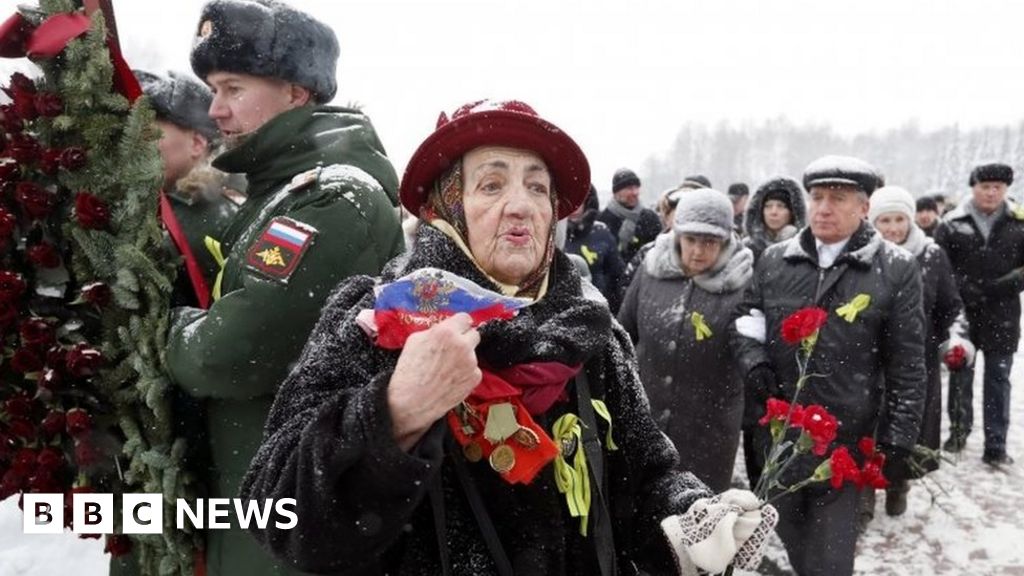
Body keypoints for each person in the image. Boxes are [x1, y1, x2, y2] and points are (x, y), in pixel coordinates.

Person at [239, 100, 775, 576]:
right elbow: (275, 512)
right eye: (492, 185)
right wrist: (394, 412)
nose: (520, 205)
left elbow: (645, 471)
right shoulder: (376, 320)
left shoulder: (591, 332)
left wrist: (691, 518)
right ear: (446, 208)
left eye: (537, 187)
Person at [165, 2, 404, 574]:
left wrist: (168, 327)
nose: (215, 109)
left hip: (294, 516)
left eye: (233, 88)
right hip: (259, 500)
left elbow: (231, 353)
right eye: (211, 89)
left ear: (296, 92)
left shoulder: (330, 199)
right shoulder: (273, 194)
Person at [731, 155, 925, 576]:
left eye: (837, 198)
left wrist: (899, 440)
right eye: (817, 196)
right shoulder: (775, 260)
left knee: (832, 561)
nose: (823, 207)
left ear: (863, 208)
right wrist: (755, 363)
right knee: (798, 547)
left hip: (845, 444)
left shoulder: (895, 269)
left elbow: (908, 364)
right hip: (780, 440)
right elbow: (747, 319)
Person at [618, 188, 753, 492]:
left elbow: (750, 353)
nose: (697, 251)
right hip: (646, 418)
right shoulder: (651, 270)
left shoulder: (743, 283)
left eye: (709, 242)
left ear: (726, 240)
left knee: (697, 518)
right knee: (642, 506)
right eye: (690, 239)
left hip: (708, 429)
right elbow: (624, 332)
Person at [865, 186, 966, 518]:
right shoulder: (865, 254)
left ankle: (899, 483)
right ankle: (864, 490)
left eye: (899, 219)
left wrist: (934, 337)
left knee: (908, 424)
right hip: (870, 357)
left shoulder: (931, 254)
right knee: (869, 425)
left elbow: (950, 305)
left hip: (917, 358)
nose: (893, 228)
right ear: (872, 221)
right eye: (885, 220)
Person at [934, 162, 1024, 466]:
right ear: (973, 188)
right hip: (963, 315)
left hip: (1004, 314)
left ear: (1006, 190)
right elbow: (939, 265)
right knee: (961, 374)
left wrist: (1007, 284)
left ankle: (995, 444)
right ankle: (958, 433)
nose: (991, 192)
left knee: (999, 378)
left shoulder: (1019, 221)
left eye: (998, 187)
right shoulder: (951, 223)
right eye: (985, 186)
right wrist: (962, 287)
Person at [135, 69, 242, 308]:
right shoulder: (145, 201)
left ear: (196, 143)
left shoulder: (222, 217)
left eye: (146, 134)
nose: (132, 144)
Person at [564, 185, 625, 310]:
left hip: (600, 308)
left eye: (579, 200)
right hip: (562, 312)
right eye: (569, 201)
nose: (575, 206)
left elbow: (617, 275)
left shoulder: (601, 232)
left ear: (587, 202)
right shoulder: (551, 235)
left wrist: (612, 311)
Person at [597, 167, 661, 264]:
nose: (635, 193)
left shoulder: (650, 218)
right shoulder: (603, 220)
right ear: (616, 192)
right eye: (629, 188)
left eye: (636, 187)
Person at [742, 176, 807, 263]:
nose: (773, 212)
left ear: (792, 212)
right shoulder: (747, 249)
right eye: (768, 206)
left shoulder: (804, 248)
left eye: (781, 206)